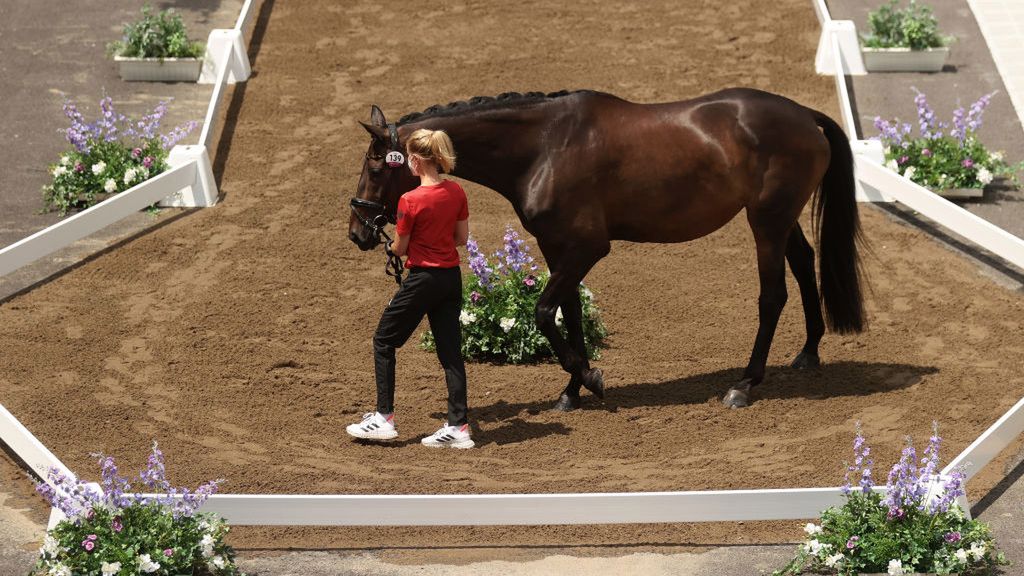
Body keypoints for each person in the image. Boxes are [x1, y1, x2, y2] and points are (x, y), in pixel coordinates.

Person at [346, 128, 474, 449]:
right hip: (450, 279)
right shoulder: (457, 192)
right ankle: (458, 426)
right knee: (450, 353)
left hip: (423, 280)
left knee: (384, 340)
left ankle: (383, 417)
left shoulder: (409, 200)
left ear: (415, 161)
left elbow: (400, 249)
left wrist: (395, 244)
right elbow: (461, 239)